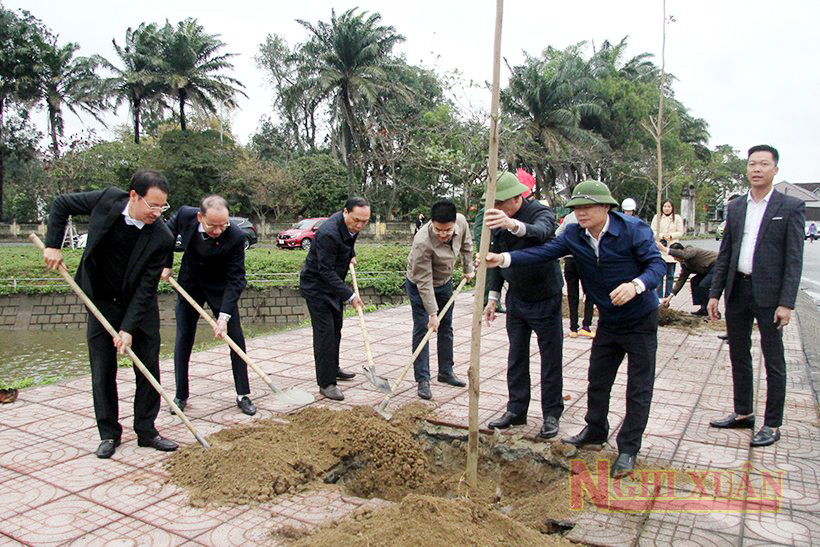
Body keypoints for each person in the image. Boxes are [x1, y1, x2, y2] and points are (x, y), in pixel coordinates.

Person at [482, 179, 665, 478]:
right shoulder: (574, 235)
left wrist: (636, 286)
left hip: (640, 319)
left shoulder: (633, 230)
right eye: (576, 208)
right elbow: (545, 251)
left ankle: (629, 448)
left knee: (638, 386)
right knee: (597, 379)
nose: (581, 214)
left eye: (587, 207)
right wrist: (503, 259)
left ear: (606, 206)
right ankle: (595, 429)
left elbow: (656, 266)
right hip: (609, 319)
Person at [42, 170, 178, 459]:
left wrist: (128, 327)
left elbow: (146, 289)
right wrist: (53, 244)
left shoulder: (162, 237)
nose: (157, 212)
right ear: (133, 196)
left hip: (138, 308)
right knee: (103, 369)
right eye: (152, 205)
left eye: (162, 206)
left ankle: (146, 430)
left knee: (148, 367)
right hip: (100, 300)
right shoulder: (106, 200)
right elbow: (61, 204)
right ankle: (108, 433)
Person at [707, 144, 805, 447]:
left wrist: (787, 303)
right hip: (738, 290)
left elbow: (793, 259)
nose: (757, 169)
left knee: (773, 359)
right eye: (752, 164)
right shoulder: (736, 207)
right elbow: (725, 254)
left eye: (764, 164)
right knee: (738, 353)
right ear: (746, 169)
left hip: (771, 296)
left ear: (775, 169)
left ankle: (772, 424)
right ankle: (743, 412)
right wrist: (714, 294)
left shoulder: (790, 207)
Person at [482, 172, 564, 439]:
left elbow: (542, 233)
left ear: (517, 198)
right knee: (516, 356)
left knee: (550, 358)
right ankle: (516, 409)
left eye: (500, 203)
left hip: (545, 297)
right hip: (516, 298)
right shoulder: (496, 221)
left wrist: (512, 224)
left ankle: (552, 413)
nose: (496, 210)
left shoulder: (540, 212)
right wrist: (492, 298)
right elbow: (493, 260)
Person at [161, 195, 256, 416]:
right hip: (189, 283)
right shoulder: (185, 215)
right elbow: (164, 235)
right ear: (199, 217)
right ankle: (181, 394)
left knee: (236, 339)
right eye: (212, 225)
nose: (218, 230)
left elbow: (237, 279)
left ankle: (243, 394)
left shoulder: (236, 236)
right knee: (184, 337)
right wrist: (165, 264)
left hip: (221, 288)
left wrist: (223, 317)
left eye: (223, 225)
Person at [299, 198, 369, 401]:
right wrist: (350, 295)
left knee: (336, 328)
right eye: (357, 220)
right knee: (325, 334)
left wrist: (350, 255)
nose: (360, 225)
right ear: (345, 211)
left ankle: (333, 367)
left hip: (333, 286)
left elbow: (349, 240)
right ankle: (326, 383)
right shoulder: (328, 233)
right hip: (317, 287)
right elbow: (325, 271)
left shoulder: (350, 225)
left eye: (365, 222)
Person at [406, 200, 474, 400]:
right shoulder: (422, 242)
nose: (443, 234)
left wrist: (468, 268)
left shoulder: (461, 222)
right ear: (431, 223)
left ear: (454, 223)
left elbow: (467, 246)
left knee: (447, 327)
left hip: (445, 282)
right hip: (420, 285)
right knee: (423, 329)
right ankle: (423, 379)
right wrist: (432, 313)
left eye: (447, 230)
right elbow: (424, 281)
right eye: (438, 230)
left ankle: (445, 371)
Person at [556, 211, 595, 338]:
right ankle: (586, 326)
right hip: (585, 260)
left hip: (569, 260)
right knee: (589, 293)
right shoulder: (591, 216)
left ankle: (573, 328)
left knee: (572, 294)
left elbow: (557, 234)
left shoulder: (568, 217)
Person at [659, 242, 717, 316]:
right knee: (694, 281)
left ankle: (713, 311)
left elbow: (685, 255)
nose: (675, 259)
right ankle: (704, 309)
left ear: (680, 251)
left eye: (675, 256)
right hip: (706, 270)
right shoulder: (685, 264)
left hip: (716, 265)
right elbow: (681, 279)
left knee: (704, 285)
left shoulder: (690, 250)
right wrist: (670, 296)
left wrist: (665, 249)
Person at [650, 199, 684, 298]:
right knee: (660, 274)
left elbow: (680, 232)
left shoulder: (677, 218)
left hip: (673, 248)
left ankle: (668, 296)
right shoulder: (657, 217)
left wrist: (671, 236)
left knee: (670, 275)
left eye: (669, 206)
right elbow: (652, 231)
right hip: (660, 246)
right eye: (665, 206)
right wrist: (662, 236)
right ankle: (659, 296)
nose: (667, 208)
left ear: (672, 208)